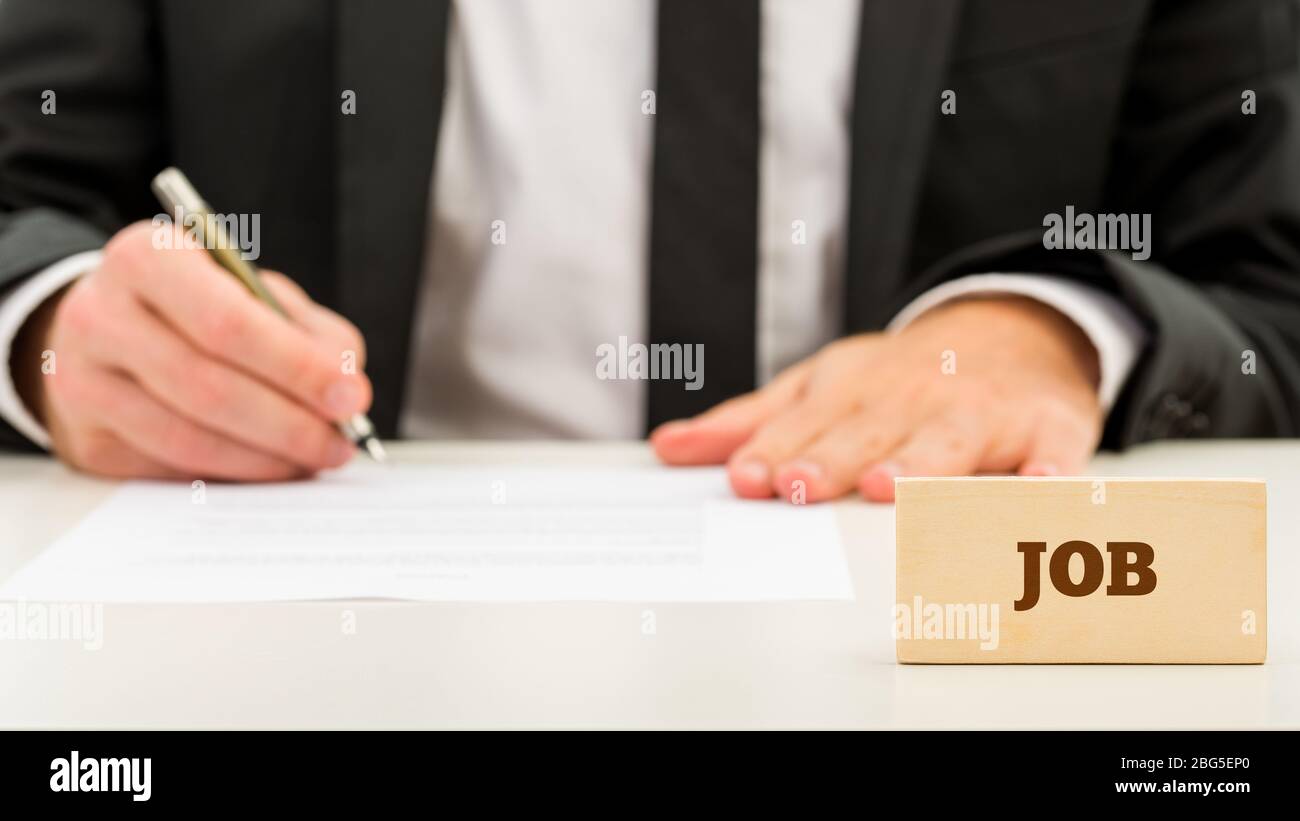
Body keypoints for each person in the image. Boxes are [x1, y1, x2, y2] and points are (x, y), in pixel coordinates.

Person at [1, 0, 1298, 503]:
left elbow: (1271, 259)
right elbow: (23, 188)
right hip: (321, 633)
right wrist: (60, 333)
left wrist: (1057, 329)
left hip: (926, 642)